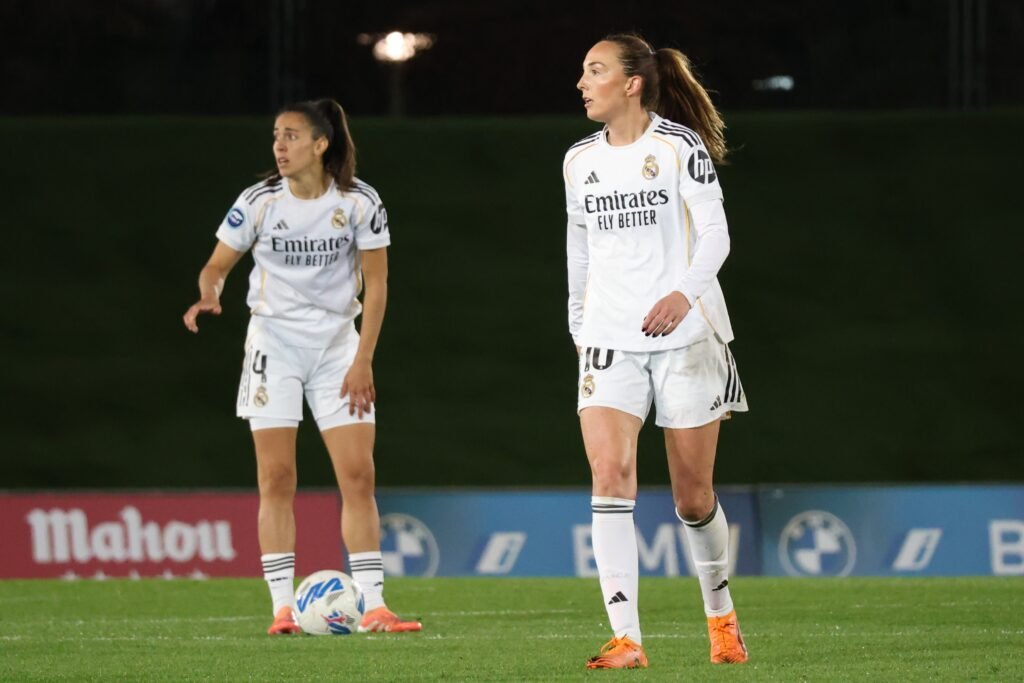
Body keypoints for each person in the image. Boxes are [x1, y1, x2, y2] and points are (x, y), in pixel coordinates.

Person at [183, 98, 421, 635]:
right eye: (275, 136)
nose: (279, 146)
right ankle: (282, 608)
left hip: (338, 347)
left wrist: (363, 359)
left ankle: (376, 605)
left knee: (359, 476)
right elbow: (216, 265)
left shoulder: (360, 202)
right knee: (277, 477)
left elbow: (378, 284)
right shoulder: (260, 201)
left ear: (321, 144)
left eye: (291, 136)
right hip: (275, 346)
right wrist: (209, 293)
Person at [564, 34, 749, 669]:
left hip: (686, 337)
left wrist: (681, 296)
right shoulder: (578, 161)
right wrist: (578, 325)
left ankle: (721, 618)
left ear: (633, 83)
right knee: (610, 477)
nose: (583, 83)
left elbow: (718, 236)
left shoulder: (677, 147)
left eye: (596, 71)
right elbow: (579, 249)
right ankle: (626, 638)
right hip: (609, 339)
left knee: (692, 498)